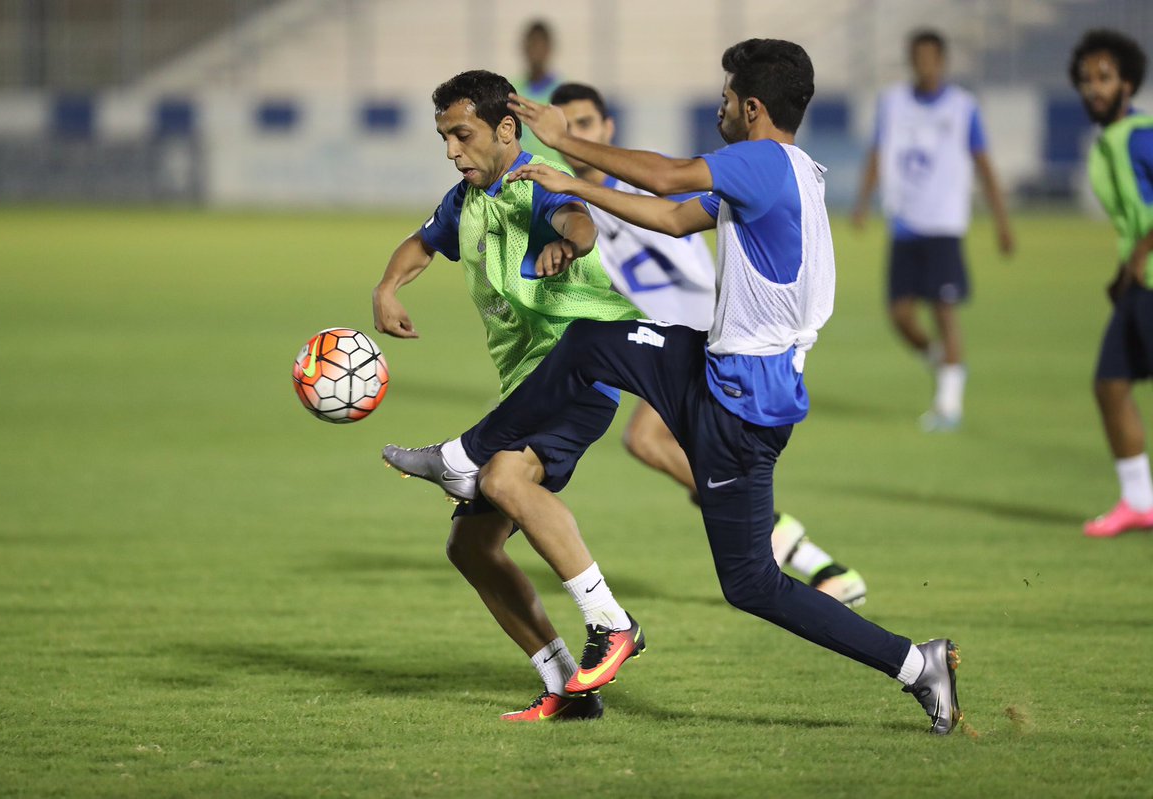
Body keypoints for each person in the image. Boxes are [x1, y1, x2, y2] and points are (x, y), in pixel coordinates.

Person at [385, 39, 963, 735]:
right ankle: (916, 663)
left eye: (724, 96)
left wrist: (571, 145)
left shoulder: (762, 158)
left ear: (751, 108)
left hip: (736, 401)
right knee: (597, 348)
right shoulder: (795, 172)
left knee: (747, 577)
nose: (718, 106)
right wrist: (576, 187)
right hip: (734, 382)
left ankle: (463, 457)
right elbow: (671, 215)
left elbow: (665, 180)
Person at [373, 69, 648, 722]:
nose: (451, 150)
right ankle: (565, 686)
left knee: (504, 478)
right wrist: (388, 287)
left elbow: (579, 221)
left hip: (577, 372)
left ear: (505, 130)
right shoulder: (462, 202)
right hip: (521, 389)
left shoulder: (535, 182)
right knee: (470, 547)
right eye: (443, 137)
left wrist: (563, 243)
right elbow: (421, 243)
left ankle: (611, 622)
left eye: (461, 135)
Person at [550, 80, 867, 607]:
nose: (572, 134)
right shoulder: (569, 199)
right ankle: (814, 561)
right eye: (565, 126)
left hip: (703, 330)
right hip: (667, 335)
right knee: (691, 461)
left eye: (583, 124)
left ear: (607, 129)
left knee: (654, 444)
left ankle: (794, 547)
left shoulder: (641, 184)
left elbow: (669, 191)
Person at [852, 29, 1013, 432]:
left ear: (942, 61)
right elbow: (877, 152)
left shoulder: (962, 107)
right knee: (900, 315)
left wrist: (1002, 222)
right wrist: (863, 201)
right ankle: (946, 364)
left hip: (944, 222)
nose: (924, 64)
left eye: (930, 57)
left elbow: (983, 163)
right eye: (917, 57)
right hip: (904, 222)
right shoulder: (892, 104)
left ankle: (949, 404)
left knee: (944, 311)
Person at [1070, 30, 1153, 538]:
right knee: (1110, 383)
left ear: (1128, 81)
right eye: (1085, 80)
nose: (1093, 88)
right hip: (1137, 285)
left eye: (1103, 77)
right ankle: (1140, 501)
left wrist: (1139, 255)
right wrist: (1124, 271)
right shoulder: (1113, 139)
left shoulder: (1140, 135)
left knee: (1113, 382)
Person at [512, 20, 567, 168]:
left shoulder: (564, 92)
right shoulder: (510, 89)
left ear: (549, 48)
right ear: (524, 48)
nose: (536, 50)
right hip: (520, 178)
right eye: (532, 44)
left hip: (556, 177)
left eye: (540, 44)